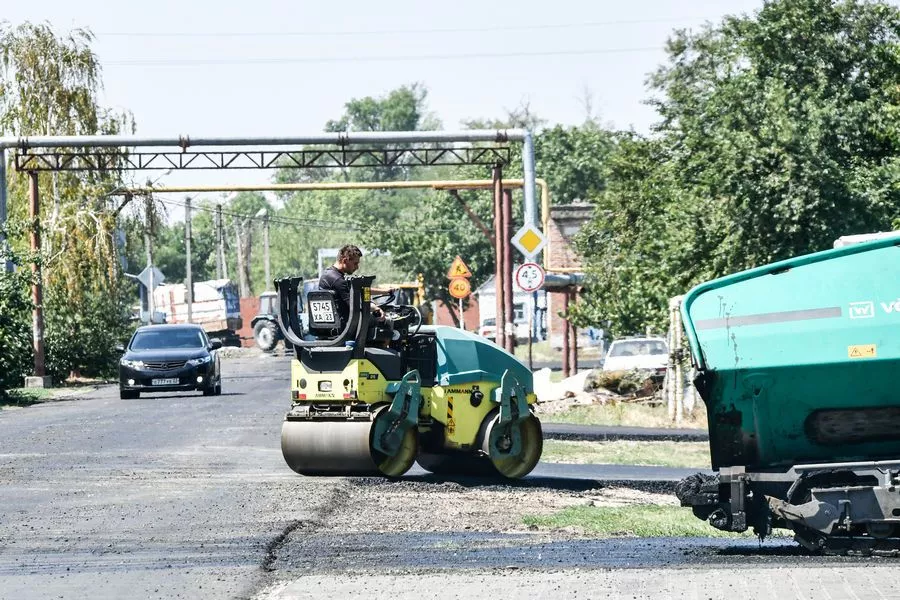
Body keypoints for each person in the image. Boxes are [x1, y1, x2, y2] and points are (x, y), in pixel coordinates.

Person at [318, 244, 383, 326]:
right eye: (355, 263)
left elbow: (362, 290)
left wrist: (385, 292)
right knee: (385, 324)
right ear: (345, 261)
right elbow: (356, 306)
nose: (357, 267)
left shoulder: (328, 275)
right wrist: (375, 308)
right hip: (344, 326)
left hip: (326, 325)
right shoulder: (339, 281)